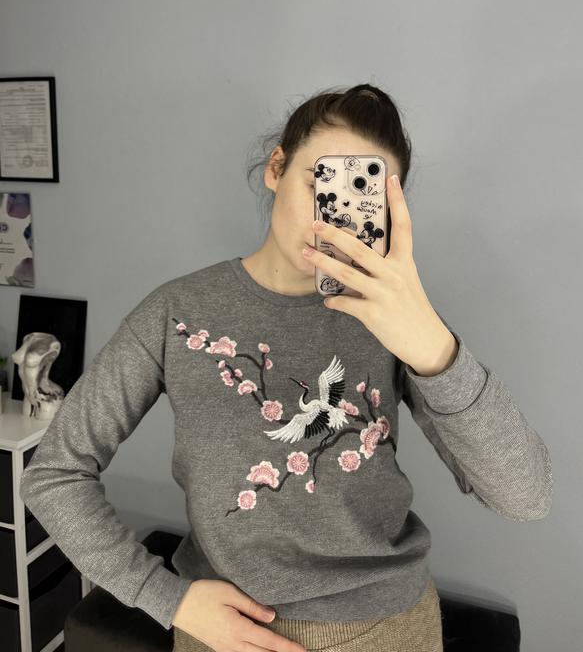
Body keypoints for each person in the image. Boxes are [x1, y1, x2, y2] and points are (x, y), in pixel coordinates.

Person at [20, 84, 552, 652]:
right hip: (223, 636)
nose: (331, 223)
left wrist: (436, 351)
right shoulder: (176, 313)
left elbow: (525, 496)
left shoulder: (398, 320)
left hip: (389, 629)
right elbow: (54, 474)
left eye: (359, 199)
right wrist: (165, 598)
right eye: (321, 186)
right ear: (276, 167)